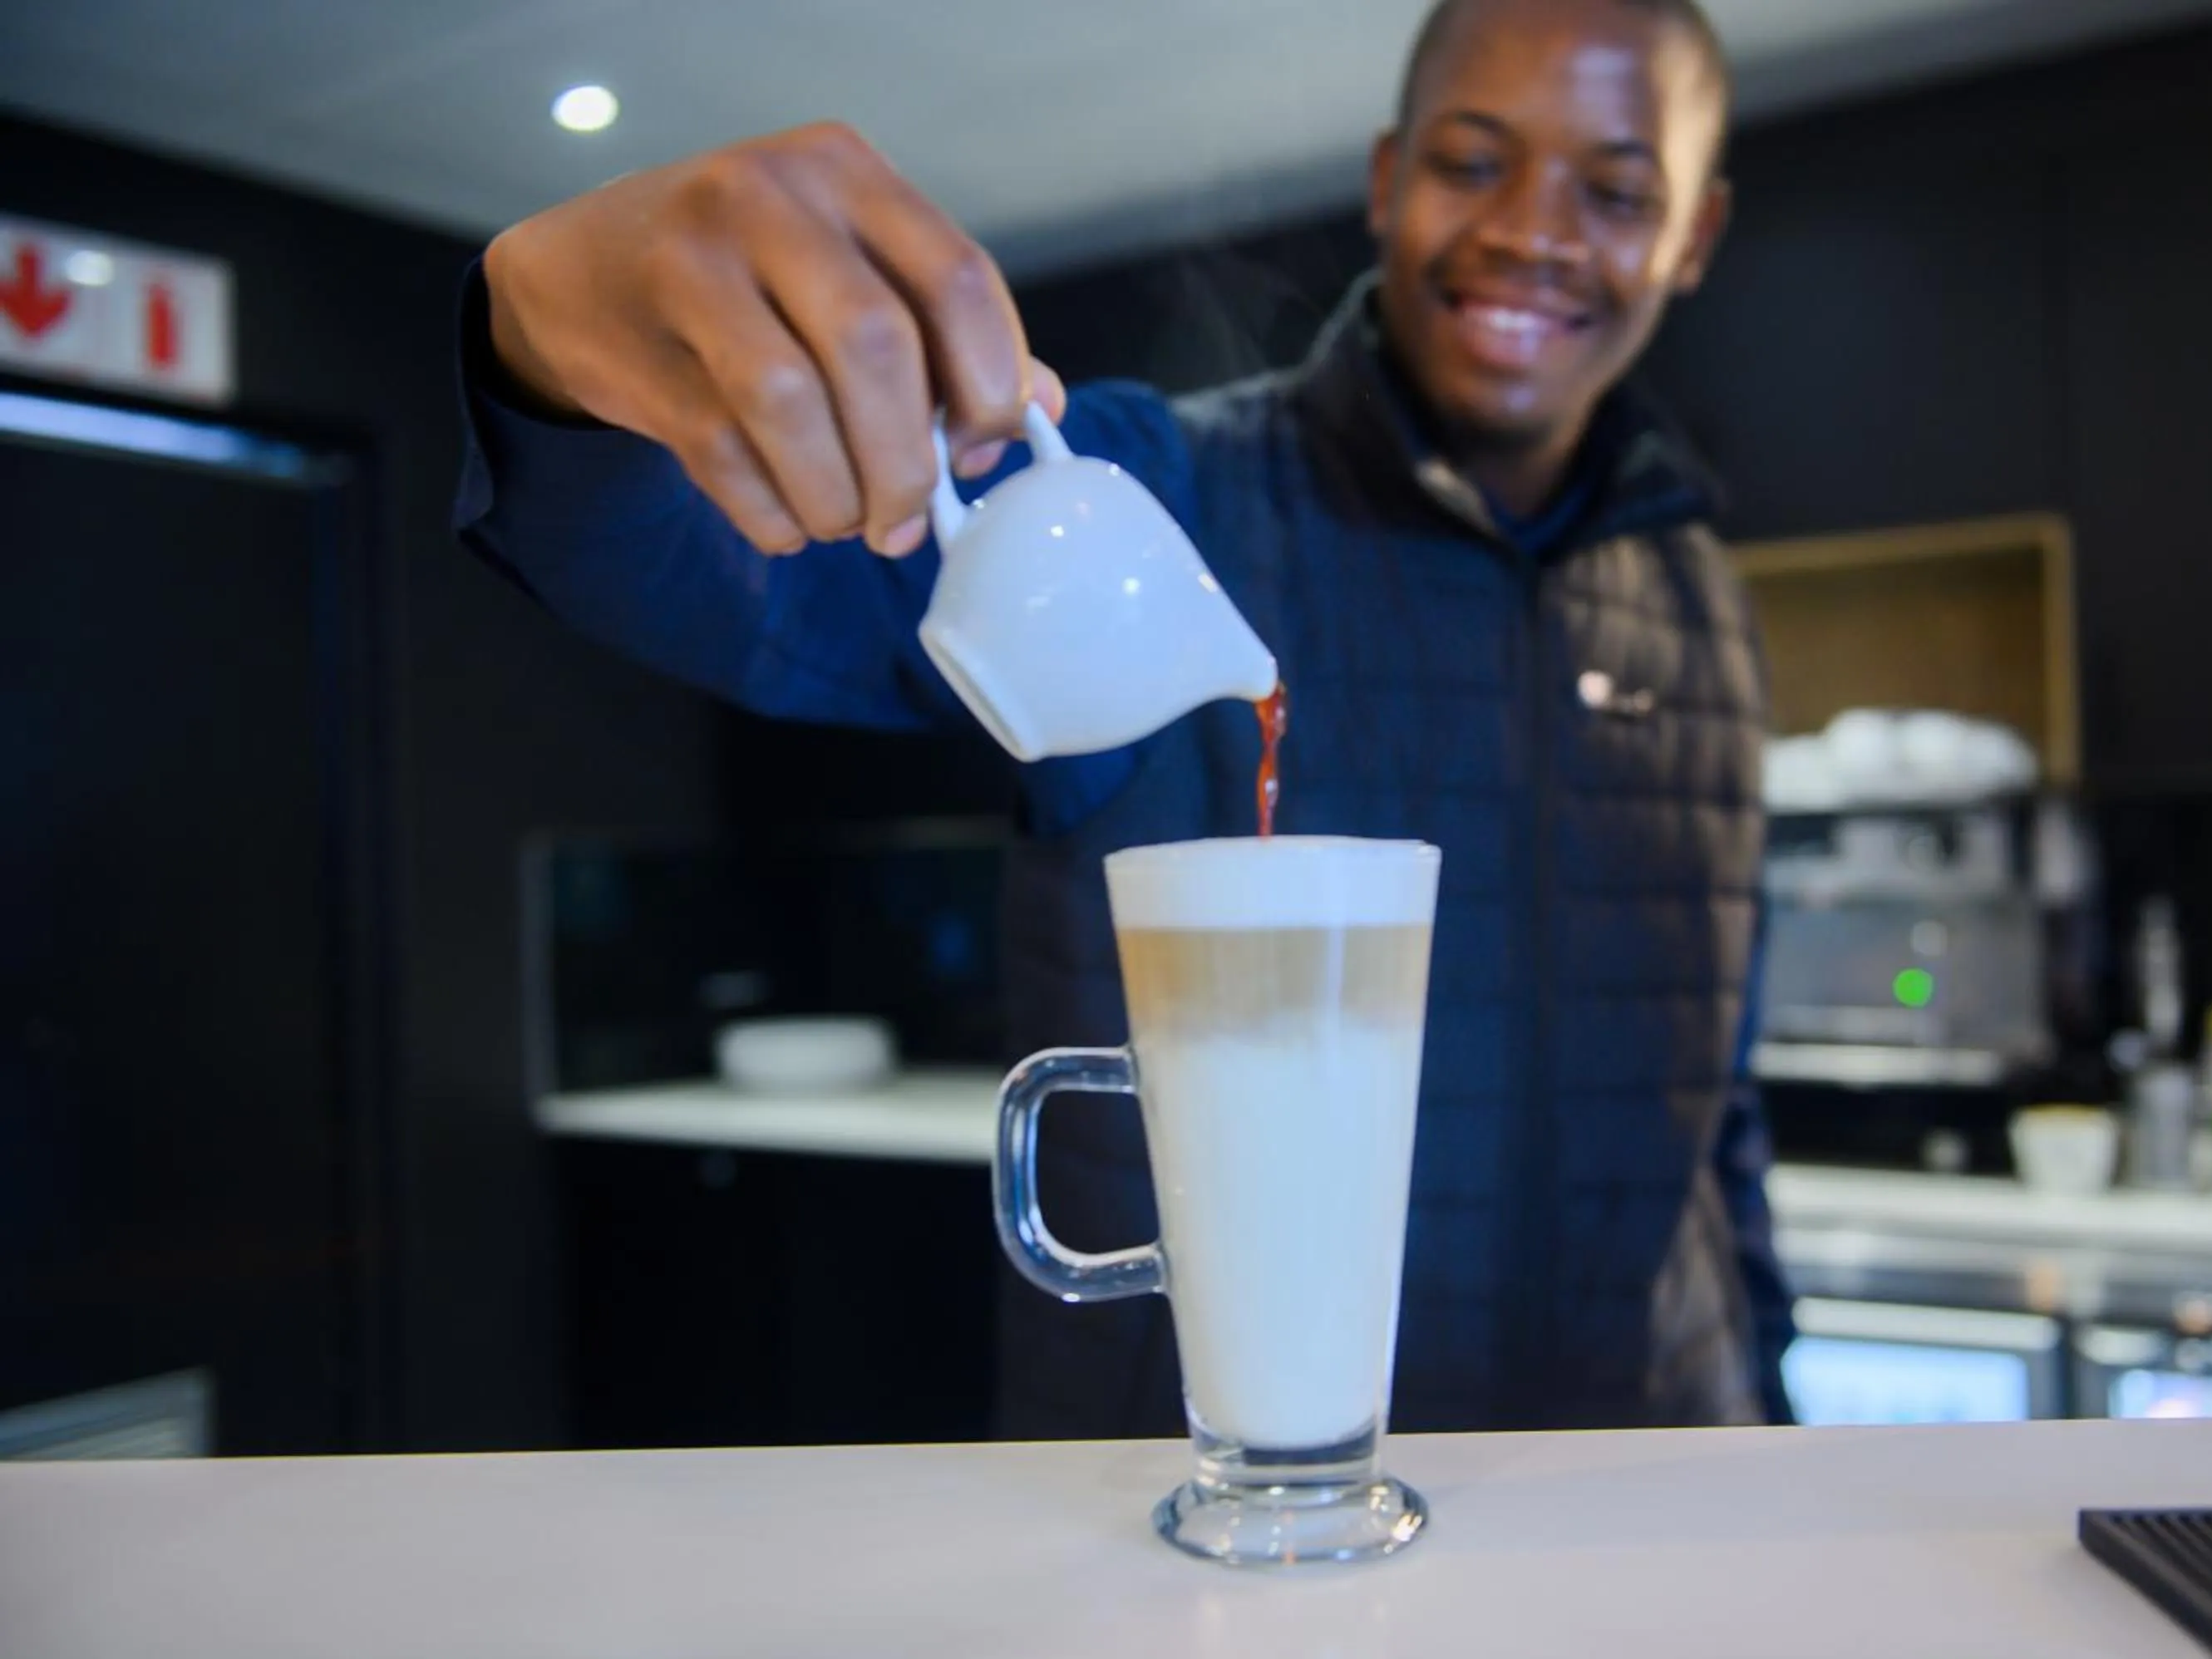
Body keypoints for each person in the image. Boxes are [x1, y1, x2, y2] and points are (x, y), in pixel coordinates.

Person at [457, 0, 1794, 1435]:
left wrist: (1764, 1407)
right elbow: (711, 581)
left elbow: (1716, 1103)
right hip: (1209, 1498)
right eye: (1475, 163)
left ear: (1696, 236)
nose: (1536, 229)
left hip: (1646, 1472)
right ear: (1386, 177)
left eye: (1613, 189)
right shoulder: (1155, 492)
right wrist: (546, 354)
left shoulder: (1701, 594)